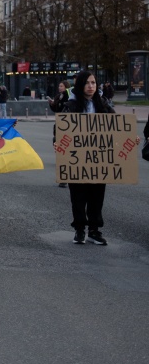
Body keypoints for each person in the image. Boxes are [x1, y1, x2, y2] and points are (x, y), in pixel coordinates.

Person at [62, 71, 115, 246]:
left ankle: (94, 230)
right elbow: (61, 128)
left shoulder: (103, 104)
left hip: (98, 158)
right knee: (78, 195)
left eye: (93, 82)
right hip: (77, 158)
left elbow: (118, 126)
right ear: (80, 85)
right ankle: (79, 229)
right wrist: (58, 142)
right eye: (87, 83)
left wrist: (129, 138)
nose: (91, 86)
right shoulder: (71, 105)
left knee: (97, 195)